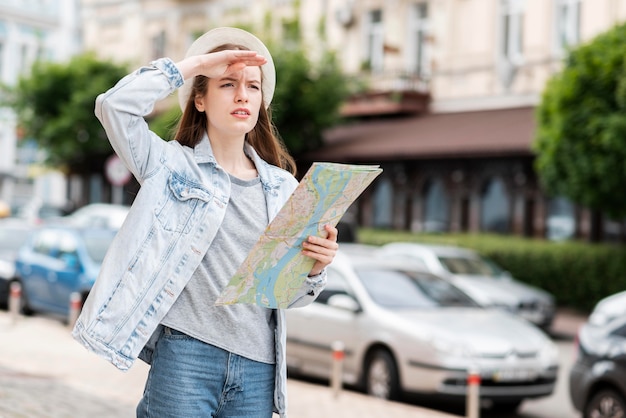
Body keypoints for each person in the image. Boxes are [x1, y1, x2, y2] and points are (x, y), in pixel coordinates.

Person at [72, 27, 338, 418]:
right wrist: (196, 65)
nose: (242, 94)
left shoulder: (283, 187)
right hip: (187, 355)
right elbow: (114, 106)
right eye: (227, 83)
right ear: (200, 98)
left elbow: (283, 296)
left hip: (258, 367)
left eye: (252, 86)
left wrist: (315, 268)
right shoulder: (169, 165)